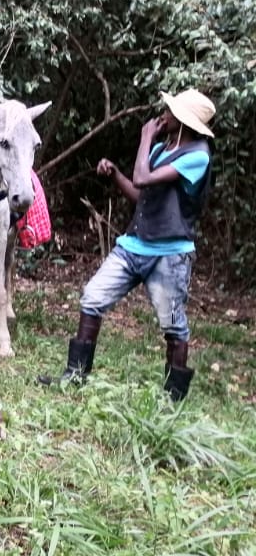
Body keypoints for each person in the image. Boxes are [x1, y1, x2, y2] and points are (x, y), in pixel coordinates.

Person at [39, 88, 216, 402]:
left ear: (184, 121)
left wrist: (145, 138)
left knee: (173, 326)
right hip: (134, 245)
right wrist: (115, 174)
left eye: (170, 112)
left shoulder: (198, 156)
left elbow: (143, 178)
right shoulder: (162, 149)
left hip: (170, 255)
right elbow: (140, 194)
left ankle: (172, 400)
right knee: (93, 297)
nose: (163, 115)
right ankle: (74, 376)